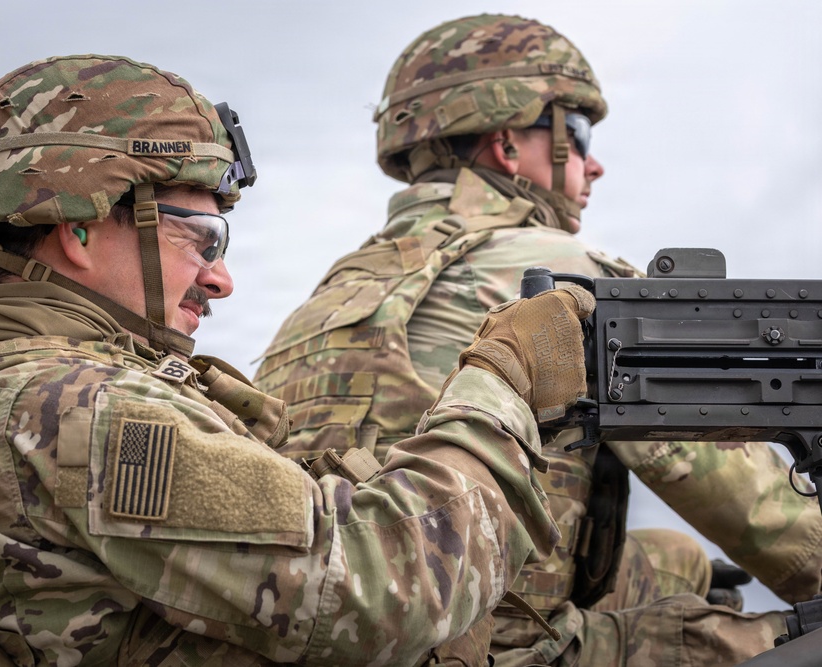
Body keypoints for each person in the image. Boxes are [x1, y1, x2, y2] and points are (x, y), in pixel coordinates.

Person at [0, 53, 596, 666]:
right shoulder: (72, 412)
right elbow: (383, 587)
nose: (221, 280)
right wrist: (503, 379)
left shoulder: (27, 398)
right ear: (80, 231)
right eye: (202, 240)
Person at [254, 14, 822, 666]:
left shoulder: (333, 292)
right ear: (508, 144)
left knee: (679, 559)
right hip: (476, 643)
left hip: (327, 621)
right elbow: (751, 503)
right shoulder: (557, 276)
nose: (595, 163)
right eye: (576, 134)